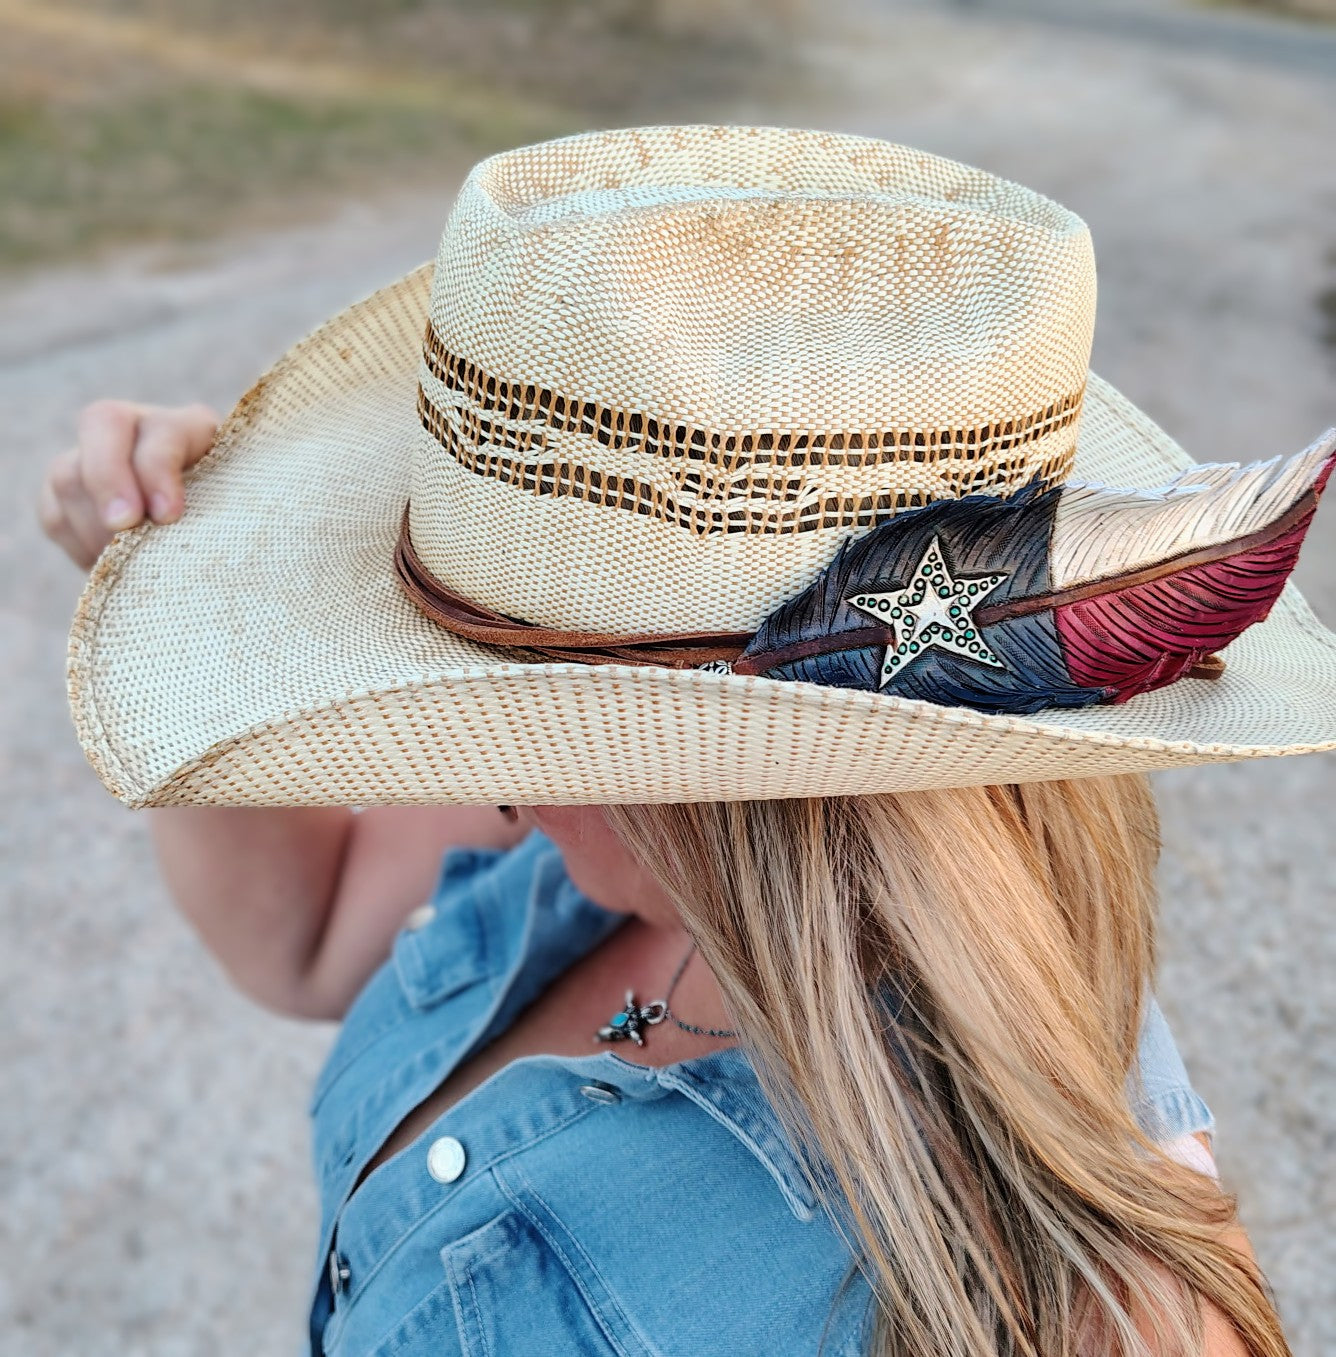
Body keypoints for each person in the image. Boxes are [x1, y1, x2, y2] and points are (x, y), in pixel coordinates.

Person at [42, 126, 1336, 1356]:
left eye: (527, 716)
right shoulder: (622, 843)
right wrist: (168, 568)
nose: (487, 775)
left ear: (726, 772)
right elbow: (309, 932)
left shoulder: (1076, 1306)